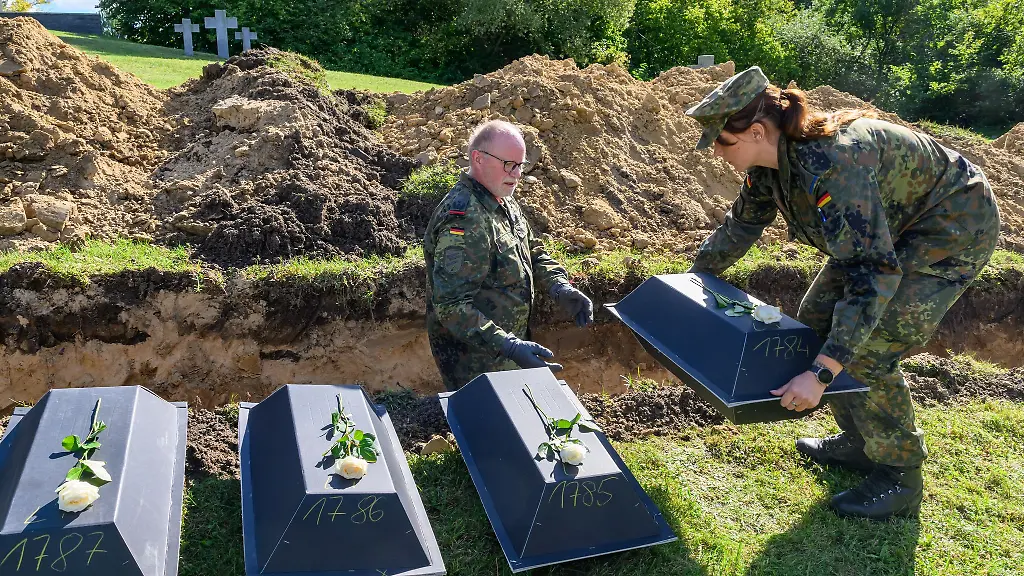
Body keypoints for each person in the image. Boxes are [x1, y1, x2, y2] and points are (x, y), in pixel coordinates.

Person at [684, 66, 1000, 520]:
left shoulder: (833, 165)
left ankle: (900, 476)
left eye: (722, 141)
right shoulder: (769, 165)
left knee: (868, 349)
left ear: (756, 130)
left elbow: (874, 275)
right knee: (815, 317)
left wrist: (821, 375)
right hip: (888, 230)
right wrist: (692, 278)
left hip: (951, 226)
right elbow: (742, 226)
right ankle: (858, 443)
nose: (715, 152)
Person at [424, 120, 595, 391]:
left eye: (521, 165)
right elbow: (452, 306)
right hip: (477, 363)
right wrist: (509, 346)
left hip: (508, 350)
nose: (517, 174)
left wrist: (559, 286)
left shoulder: (502, 199)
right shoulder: (465, 219)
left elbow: (533, 251)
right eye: (509, 165)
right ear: (478, 159)